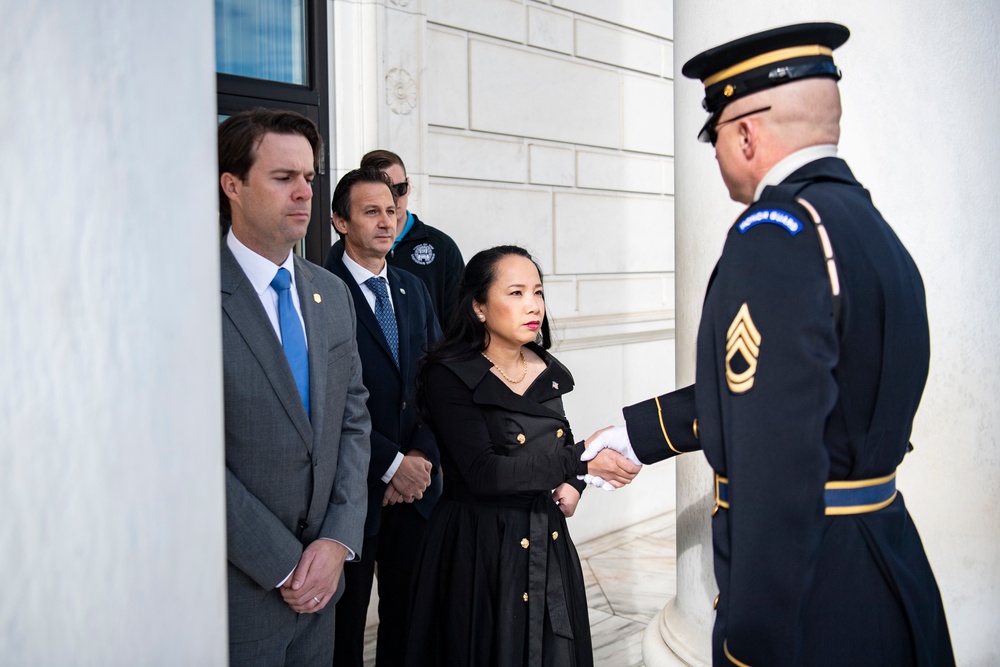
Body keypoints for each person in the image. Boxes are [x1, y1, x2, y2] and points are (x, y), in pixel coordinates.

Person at [583, 22, 955, 666]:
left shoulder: (773, 233)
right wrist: (638, 431)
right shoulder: (870, 231)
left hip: (812, 597)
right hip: (886, 566)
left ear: (747, 134)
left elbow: (774, 457)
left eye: (717, 136)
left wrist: (750, 644)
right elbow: (795, 387)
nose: (719, 154)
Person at [404, 245, 641, 667]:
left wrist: (575, 483)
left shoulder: (543, 366)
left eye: (538, 292)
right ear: (479, 307)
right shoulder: (449, 373)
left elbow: (560, 445)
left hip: (545, 539)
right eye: (515, 293)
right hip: (478, 548)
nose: (533, 306)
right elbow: (485, 473)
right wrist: (582, 462)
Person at [218, 109, 371, 666]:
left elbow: (354, 420)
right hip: (235, 595)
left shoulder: (330, 294)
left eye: (309, 178)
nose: (304, 192)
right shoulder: (186, 296)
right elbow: (179, 459)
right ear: (232, 185)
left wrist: (337, 540)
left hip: (323, 592)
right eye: (284, 178)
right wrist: (284, 563)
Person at [322, 168, 443, 667]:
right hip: (351, 492)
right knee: (344, 630)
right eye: (371, 211)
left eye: (391, 210)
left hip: (415, 493)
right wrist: (392, 463)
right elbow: (325, 402)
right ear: (340, 222)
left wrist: (420, 457)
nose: (386, 221)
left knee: (410, 623)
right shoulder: (322, 292)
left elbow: (438, 383)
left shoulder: (412, 289)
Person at [360, 150, 465, 328]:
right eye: (383, 191)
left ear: (408, 186)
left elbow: (461, 319)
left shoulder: (441, 246)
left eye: (398, 189)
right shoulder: (345, 250)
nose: (393, 199)